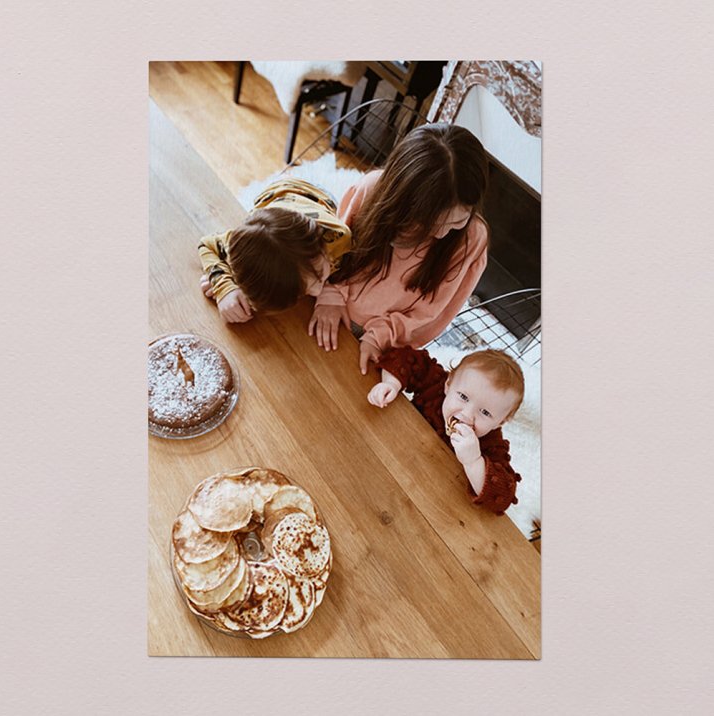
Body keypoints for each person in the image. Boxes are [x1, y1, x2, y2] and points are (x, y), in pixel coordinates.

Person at [308, 123, 490, 374]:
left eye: (457, 222)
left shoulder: (472, 239)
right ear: (402, 200)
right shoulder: (371, 189)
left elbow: (432, 312)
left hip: (384, 343)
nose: (441, 234)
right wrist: (330, 294)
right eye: (429, 223)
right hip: (327, 305)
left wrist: (379, 337)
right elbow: (334, 250)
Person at [368, 346, 524, 514]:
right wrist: (391, 383)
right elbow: (402, 356)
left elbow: (503, 497)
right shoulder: (435, 385)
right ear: (448, 385)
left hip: (423, 499)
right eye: (463, 397)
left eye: (485, 413)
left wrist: (473, 461)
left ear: (500, 422)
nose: (467, 414)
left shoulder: (491, 443)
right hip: (382, 449)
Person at [199, 177, 351, 322]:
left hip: (312, 194)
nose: (318, 291)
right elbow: (207, 245)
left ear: (322, 250)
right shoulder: (242, 243)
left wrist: (330, 293)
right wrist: (225, 286)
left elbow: (353, 268)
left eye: (320, 275)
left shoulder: (339, 237)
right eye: (304, 290)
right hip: (274, 203)